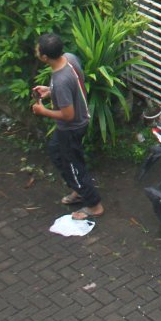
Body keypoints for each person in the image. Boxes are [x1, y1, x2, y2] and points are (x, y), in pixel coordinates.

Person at [31, 32, 103, 220]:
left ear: (45, 57)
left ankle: (94, 205)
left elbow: (67, 115)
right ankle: (78, 190)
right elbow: (74, 86)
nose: (36, 50)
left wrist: (43, 111)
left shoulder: (61, 80)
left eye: (38, 49)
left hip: (71, 128)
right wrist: (49, 91)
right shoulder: (69, 59)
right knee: (56, 153)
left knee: (74, 165)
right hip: (76, 121)